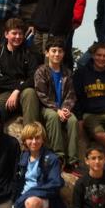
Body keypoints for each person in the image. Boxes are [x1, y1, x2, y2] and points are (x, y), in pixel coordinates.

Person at [33, 38, 81, 171]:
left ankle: (73, 161)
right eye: (53, 51)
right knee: (53, 117)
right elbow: (41, 94)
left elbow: (71, 94)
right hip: (47, 108)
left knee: (73, 120)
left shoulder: (67, 73)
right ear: (47, 53)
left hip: (63, 108)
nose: (57, 54)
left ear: (64, 54)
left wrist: (65, 109)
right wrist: (57, 109)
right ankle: (59, 157)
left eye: (60, 51)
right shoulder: (41, 71)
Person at [0, 18, 41, 125]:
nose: (18, 37)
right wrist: (17, 85)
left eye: (20, 34)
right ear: (6, 34)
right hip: (5, 94)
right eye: (14, 33)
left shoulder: (29, 53)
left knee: (30, 92)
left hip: (24, 93)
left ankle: (30, 136)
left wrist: (18, 90)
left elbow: (33, 78)